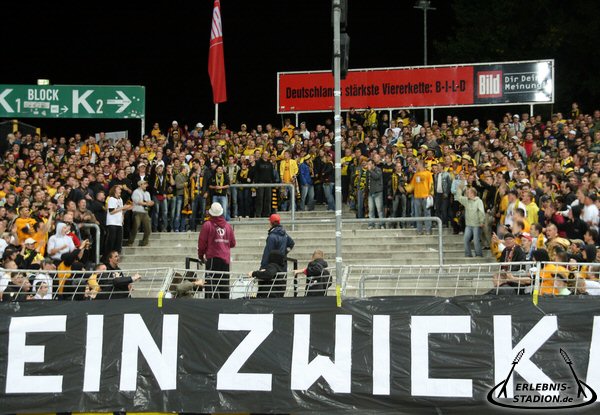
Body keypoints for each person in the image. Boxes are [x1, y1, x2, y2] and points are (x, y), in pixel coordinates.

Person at [197, 202, 236, 299]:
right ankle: (224, 305)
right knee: (224, 285)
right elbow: (233, 243)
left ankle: (210, 306)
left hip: (213, 259)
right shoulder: (228, 226)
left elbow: (202, 243)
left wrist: (201, 256)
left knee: (211, 285)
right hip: (225, 260)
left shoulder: (207, 225)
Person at [455, 184, 485, 257]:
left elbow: (481, 212)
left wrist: (482, 221)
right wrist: (459, 189)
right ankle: (468, 254)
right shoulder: (466, 201)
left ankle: (479, 255)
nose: (467, 194)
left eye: (468, 192)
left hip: (477, 225)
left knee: (476, 241)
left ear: (472, 193)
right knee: (466, 239)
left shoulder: (479, 201)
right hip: (468, 225)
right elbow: (458, 197)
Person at [105, 185, 133, 255]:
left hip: (119, 223)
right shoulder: (111, 199)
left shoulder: (120, 199)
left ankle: (116, 256)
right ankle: (107, 257)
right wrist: (123, 207)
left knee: (118, 242)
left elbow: (121, 211)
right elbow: (111, 211)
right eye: (119, 189)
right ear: (114, 191)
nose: (120, 190)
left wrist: (127, 209)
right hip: (112, 223)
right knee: (111, 242)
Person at [126, 180, 154, 247]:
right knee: (135, 227)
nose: (146, 185)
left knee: (148, 228)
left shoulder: (147, 193)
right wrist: (147, 203)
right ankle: (130, 242)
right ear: (140, 185)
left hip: (145, 212)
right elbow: (138, 202)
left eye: (146, 184)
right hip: (137, 212)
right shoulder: (136, 192)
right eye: (144, 184)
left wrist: (151, 203)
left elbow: (149, 202)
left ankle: (144, 242)